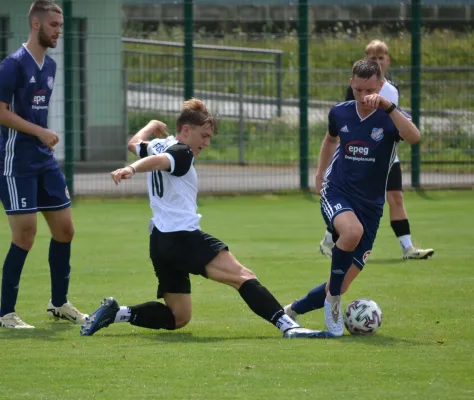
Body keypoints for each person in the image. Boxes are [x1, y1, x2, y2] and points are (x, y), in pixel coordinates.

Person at [80, 99, 333, 339]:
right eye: (204, 135)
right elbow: (161, 160)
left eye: (210, 136)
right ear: (186, 130)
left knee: (179, 316)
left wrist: (151, 126)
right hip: (183, 238)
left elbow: (134, 144)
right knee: (243, 276)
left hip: (160, 242)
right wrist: (132, 169)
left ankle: (117, 312)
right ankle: (289, 326)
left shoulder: (158, 144)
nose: (207, 142)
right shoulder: (182, 152)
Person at [284, 60, 422, 336]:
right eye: (358, 89)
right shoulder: (340, 112)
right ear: (351, 84)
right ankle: (333, 302)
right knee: (351, 231)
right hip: (337, 191)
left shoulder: (391, 118)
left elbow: (414, 137)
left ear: (381, 86)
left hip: (371, 206)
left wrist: (390, 108)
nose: (363, 96)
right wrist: (320, 174)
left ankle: (289, 312)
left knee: (342, 281)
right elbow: (330, 140)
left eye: (369, 89)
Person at [0, 1, 86, 328]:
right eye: (53, 25)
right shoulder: (12, 65)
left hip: (43, 161)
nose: (58, 32)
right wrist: (40, 132)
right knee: (25, 235)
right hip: (14, 163)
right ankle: (5, 313)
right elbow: (1, 111)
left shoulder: (49, 66)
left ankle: (59, 303)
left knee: (65, 230)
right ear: (36, 25)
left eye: (60, 26)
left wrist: (42, 137)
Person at [319, 40, 434, 260]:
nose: (378, 62)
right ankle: (331, 239)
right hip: (358, 155)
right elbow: (347, 126)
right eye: (373, 59)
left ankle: (407, 247)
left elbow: (404, 129)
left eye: (381, 58)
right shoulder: (353, 92)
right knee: (351, 203)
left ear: (387, 61)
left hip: (386, 157)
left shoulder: (391, 90)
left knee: (396, 198)